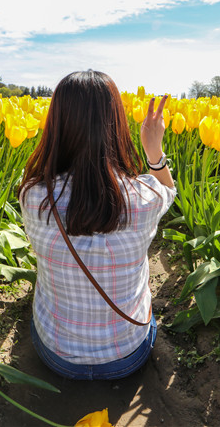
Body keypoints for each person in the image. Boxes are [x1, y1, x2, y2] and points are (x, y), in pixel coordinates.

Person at [19, 70, 176, 380]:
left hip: (56, 355)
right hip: (127, 355)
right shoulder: (143, 198)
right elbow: (168, 190)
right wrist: (153, 151)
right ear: (116, 124)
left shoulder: (33, 196)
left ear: (56, 125)